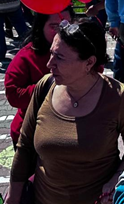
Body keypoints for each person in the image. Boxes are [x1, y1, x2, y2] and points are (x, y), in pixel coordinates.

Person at [0, 18, 124, 204]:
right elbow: (25, 148)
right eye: (51, 53)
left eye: (59, 57)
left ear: (89, 62)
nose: (49, 64)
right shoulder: (45, 87)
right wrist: (11, 203)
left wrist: (118, 179)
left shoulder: (120, 98)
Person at [4, 8, 74, 148]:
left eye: (67, 25)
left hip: (68, 132)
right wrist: (51, 86)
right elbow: (13, 94)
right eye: (54, 26)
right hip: (32, 134)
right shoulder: (27, 55)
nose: (62, 32)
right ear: (41, 26)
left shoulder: (79, 51)